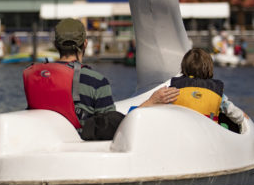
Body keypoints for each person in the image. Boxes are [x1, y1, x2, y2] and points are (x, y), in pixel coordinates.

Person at [23, 18, 179, 140]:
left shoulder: (37, 77)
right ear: (85, 44)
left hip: (44, 143)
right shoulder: (96, 81)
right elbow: (114, 128)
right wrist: (151, 102)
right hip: (80, 152)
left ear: (56, 45)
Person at [170, 48, 245, 130]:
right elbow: (236, 114)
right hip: (208, 133)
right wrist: (241, 116)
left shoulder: (174, 88)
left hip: (181, 130)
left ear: (184, 66)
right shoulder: (216, 91)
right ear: (209, 67)